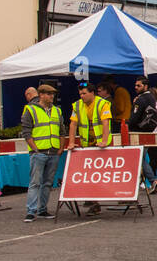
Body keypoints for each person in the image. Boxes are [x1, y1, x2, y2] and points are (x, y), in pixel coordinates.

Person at [21, 83, 63, 222]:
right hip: (39, 152)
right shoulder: (31, 110)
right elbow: (26, 132)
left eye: (53, 94)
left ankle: (42, 210)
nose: (52, 97)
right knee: (35, 182)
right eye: (49, 94)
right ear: (41, 95)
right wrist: (35, 149)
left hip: (53, 151)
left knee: (47, 183)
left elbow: (62, 130)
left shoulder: (57, 111)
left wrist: (60, 148)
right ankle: (31, 211)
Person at [68, 83, 112, 216]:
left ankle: (123, 197)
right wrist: (71, 142)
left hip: (101, 145)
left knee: (103, 173)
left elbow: (105, 123)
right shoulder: (77, 105)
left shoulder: (102, 104)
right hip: (87, 144)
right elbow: (73, 124)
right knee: (90, 174)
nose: (82, 96)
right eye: (80, 94)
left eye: (84, 93)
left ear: (92, 93)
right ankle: (93, 202)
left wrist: (104, 141)